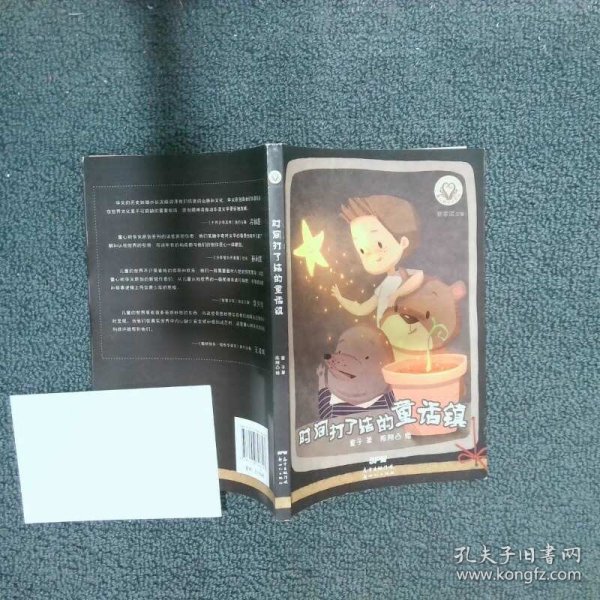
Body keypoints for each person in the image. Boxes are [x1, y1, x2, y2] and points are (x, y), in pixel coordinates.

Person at [331, 195, 423, 327]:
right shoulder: (383, 287)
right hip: (387, 334)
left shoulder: (403, 275)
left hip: (408, 329)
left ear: (403, 242)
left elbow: (419, 276)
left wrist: (397, 294)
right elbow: (362, 309)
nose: (373, 256)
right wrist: (341, 298)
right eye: (362, 251)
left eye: (380, 245)